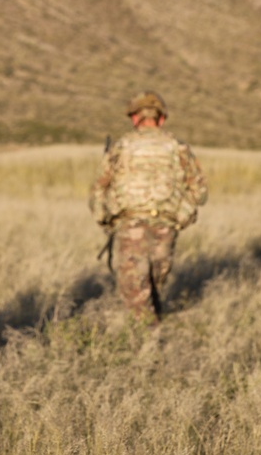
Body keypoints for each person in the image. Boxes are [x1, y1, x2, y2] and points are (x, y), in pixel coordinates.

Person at [89, 91, 208, 325]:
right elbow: (200, 191)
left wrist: (105, 218)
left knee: (136, 292)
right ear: (161, 118)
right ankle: (153, 334)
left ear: (134, 118)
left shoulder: (121, 147)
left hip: (130, 226)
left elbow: (99, 188)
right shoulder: (178, 147)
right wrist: (181, 217)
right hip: (166, 228)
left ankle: (148, 342)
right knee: (152, 287)